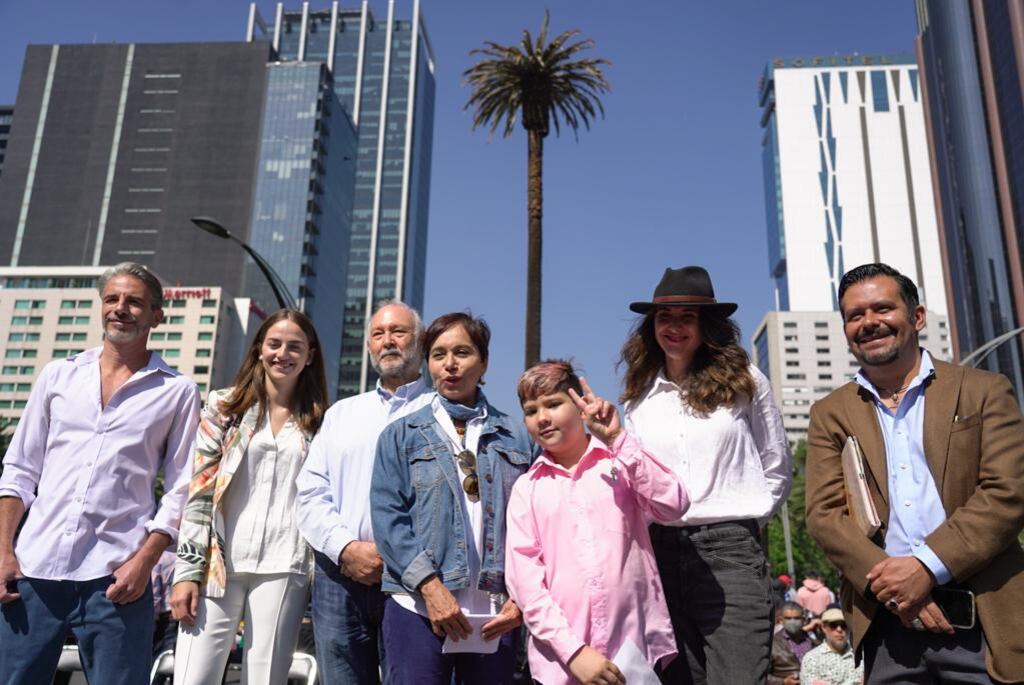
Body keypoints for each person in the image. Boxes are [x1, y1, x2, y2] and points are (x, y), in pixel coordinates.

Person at [805, 262, 1024, 683]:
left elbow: (1007, 492)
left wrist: (924, 568)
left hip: (986, 622)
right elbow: (824, 516)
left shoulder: (983, 389)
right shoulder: (830, 413)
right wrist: (895, 591)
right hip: (888, 629)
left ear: (917, 317)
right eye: (855, 315)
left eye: (882, 309)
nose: (869, 323)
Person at [0, 262, 200, 684]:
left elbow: (183, 487)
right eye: (112, 299)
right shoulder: (58, 375)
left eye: (134, 302)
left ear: (156, 316)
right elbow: (19, 469)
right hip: (35, 570)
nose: (120, 309)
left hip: (116, 578)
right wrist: (4, 551)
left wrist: (145, 562)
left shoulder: (177, 391)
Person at [620, 266, 792, 685]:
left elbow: (777, 465)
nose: (674, 327)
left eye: (687, 317)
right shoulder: (638, 399)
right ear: (651, 326)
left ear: (708, 325)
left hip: (730, 551)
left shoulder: (746, 381)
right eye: (665, 317)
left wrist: (742, 521)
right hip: (660, 553)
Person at [371, 312, 532, 684]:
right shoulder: (400, 435)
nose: (450, 364)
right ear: (428, 364)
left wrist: (523, 596)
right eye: (438, 354)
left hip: (497, 611)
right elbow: (389, 520)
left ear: (484, 361)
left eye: (462, 352)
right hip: (416, 606)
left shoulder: (519, 438)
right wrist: (431, 588)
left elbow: (538, 524)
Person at [505, 360, 689, 685]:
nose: (542, 418)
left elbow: (673, 504)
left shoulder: (620, 459)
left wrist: (617, 437)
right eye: (531, 410)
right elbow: (527, 587)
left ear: (579, 406)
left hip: (634, 655)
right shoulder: (527, 489)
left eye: (553, 404)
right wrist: (575, 652)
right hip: (563, 665)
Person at [170, 309, 328, 684]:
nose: (282, 354)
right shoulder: (224, 408)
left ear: (310, 355)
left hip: (285, 563)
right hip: (218, 564)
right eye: (274, 344)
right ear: (259, 349)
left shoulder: (320, 421)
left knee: (266, 679)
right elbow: (200, 491)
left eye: (294, 346)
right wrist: (186, 573)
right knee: (193, 677)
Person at [295, 300, 434, 684]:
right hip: (340, 577)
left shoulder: (440, 411)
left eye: (399, 332)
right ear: (369, 346)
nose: (388, 341)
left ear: (420, 342)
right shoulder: (342, 413)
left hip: (414, 582)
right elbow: (309, 492)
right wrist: (345, 549)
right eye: (378, 334)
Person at [797, 608, 862, 685]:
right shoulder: (812, 658)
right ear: (823, 628)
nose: (839, 629)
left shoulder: (860, 655)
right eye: (833, 625)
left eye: (843, 625)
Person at [769, 602, 820, 685]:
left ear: (803, 619)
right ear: (781, 620)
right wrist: (783, 682)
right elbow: (762, 675)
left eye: (796, 618)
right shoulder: (772, 644)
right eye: (788, 618)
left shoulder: (815, 644)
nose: (792, 621)